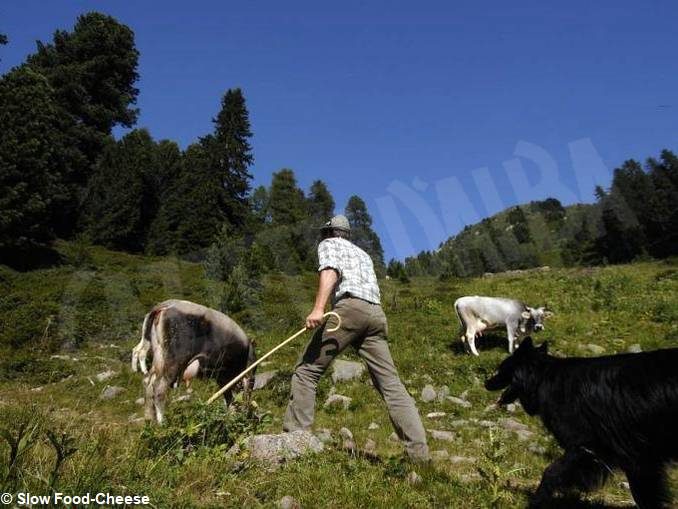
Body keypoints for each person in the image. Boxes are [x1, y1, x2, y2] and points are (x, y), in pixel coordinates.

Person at [283, 214, 430, 462]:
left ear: (330, 232)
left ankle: (295, 443)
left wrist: (319, 308)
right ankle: (418, 455)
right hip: (376, 314)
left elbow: (330, 271)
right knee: (391, 385)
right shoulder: (363, 255)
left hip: (349, 310)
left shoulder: (329, 244)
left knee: (306, 371)